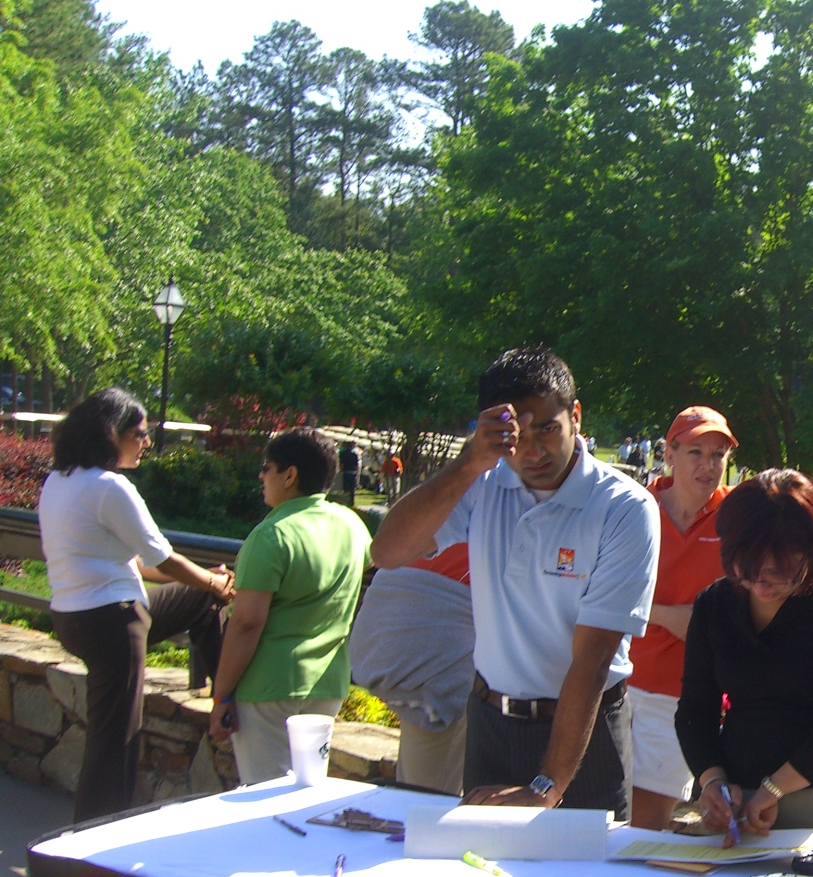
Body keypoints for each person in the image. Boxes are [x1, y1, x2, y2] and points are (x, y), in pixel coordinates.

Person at [371, 347, 659, 815]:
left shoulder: (625, 508)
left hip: (583, 738)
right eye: (515, 435)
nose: (533, 450)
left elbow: (592, 660)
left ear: (576, 416)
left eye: (547, 427)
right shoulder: (483, 483)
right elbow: (387, 552)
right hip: (490, 724)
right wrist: (467, 465)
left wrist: (546, 786)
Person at [40, 389, 236, 822]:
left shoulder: (60, 480)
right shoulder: (111, 487)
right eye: (140, 433)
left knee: (200, 598)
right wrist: (218, 582)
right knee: (115, 741)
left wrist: (206, 581)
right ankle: (93, 843)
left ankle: (229, 694)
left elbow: (141, 565)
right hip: (112, 622)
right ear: (112, 434)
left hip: (75, 618)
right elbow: (162, 558)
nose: (146, 442)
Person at [677, 469, 813, 855]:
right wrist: (711, 781)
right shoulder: (715, 604)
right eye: (747, 568)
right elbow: (695, 710)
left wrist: (777, 787)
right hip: (740, 803)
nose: (761, 584)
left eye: (781, 572)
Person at [208, 429, 372, 784]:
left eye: (266, 468)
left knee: (265, 803)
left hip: (269, 689)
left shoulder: (270, 536)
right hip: (327, 684)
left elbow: (246, 623)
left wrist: (221, 694)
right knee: (307, 797)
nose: (261, 476)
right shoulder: (352, 525)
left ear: (290, 475)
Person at [627, 407, 737, 830]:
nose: (708, 466)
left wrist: (635, 608)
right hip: (609, 687)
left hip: (678, 701)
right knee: (584, 814)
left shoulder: (737, 521)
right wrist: (670, 616)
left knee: (644, 824)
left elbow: (714, 627)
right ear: (669, 454)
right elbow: (588, 591)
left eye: (718, 455)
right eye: (696, 452)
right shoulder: (634, 507)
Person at [349, 541, 473, 794]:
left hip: (416, 668)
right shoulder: (494, 526)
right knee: (427, 799)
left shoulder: (447, 515)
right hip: (436, 676)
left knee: (418, 789)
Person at [338, 440, 360, 505]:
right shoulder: (354, 454)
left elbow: (341, 464)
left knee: (346, 489)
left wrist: (340, 471)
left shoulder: (342, 453)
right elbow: (356, 466)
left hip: (346, 472)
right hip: (352, 473)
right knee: (352, 489)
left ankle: (345, 502)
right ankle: (352, 502)